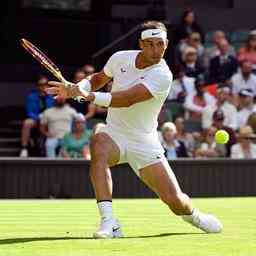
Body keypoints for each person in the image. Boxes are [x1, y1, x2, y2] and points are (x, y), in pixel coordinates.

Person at [47, 20, 222, 238]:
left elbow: (127, 99)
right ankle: (110, 222)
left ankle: (196, 216)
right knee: (98, 141)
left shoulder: (163, 74)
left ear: (166, 44)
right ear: (141, 43)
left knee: (176, 202)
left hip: (144, 141)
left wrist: (86, 95)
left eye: (161, 44)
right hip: (115, 133)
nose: (156, 49)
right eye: (150, 44)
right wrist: (80, 87)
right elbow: (99, 78)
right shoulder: (120, 58)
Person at [20, 76, 55, 157]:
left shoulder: (52, 97)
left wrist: (46, 118)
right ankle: (24, 148)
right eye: (41, 84)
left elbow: (53, 110)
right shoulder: (31, 97)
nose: (43, 86)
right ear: (37, 86)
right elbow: (29, 112)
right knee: (27, 123)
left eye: (45, 84)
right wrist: (38, 118)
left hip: (48, 120)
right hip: (35, 119)